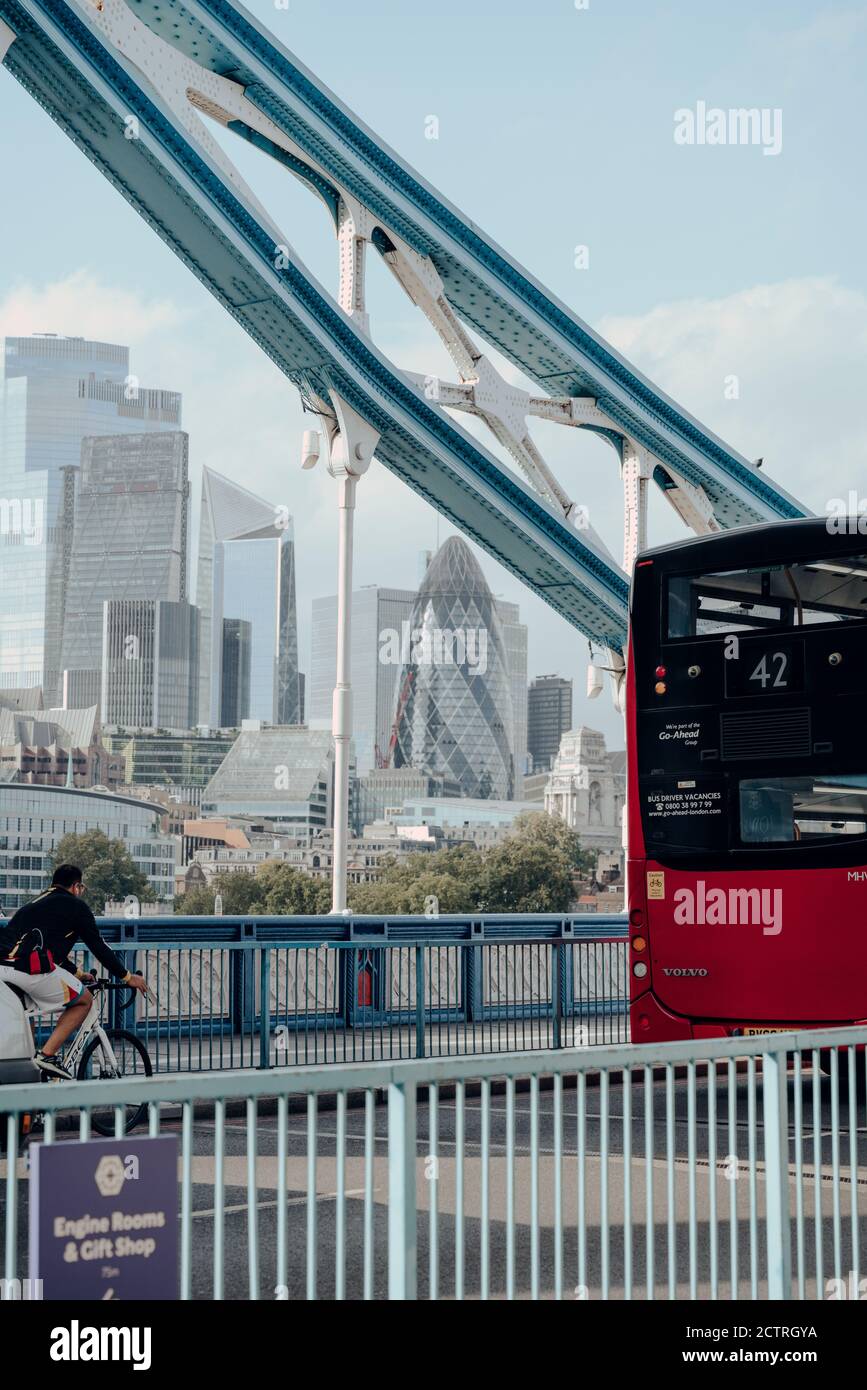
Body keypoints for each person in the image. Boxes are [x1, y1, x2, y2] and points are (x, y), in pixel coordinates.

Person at [0, 864, 147, 1079]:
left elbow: (45, 947)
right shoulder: (76, 907)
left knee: (24, 1013)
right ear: (76, 886)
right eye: (81, 888)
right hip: (26, 970)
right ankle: (47, 1056)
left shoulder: (36, 903)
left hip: (4, 968)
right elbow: (98, 946)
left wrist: (78, 974)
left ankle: (30, 1074)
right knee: (84, 1000)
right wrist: (127, 976)